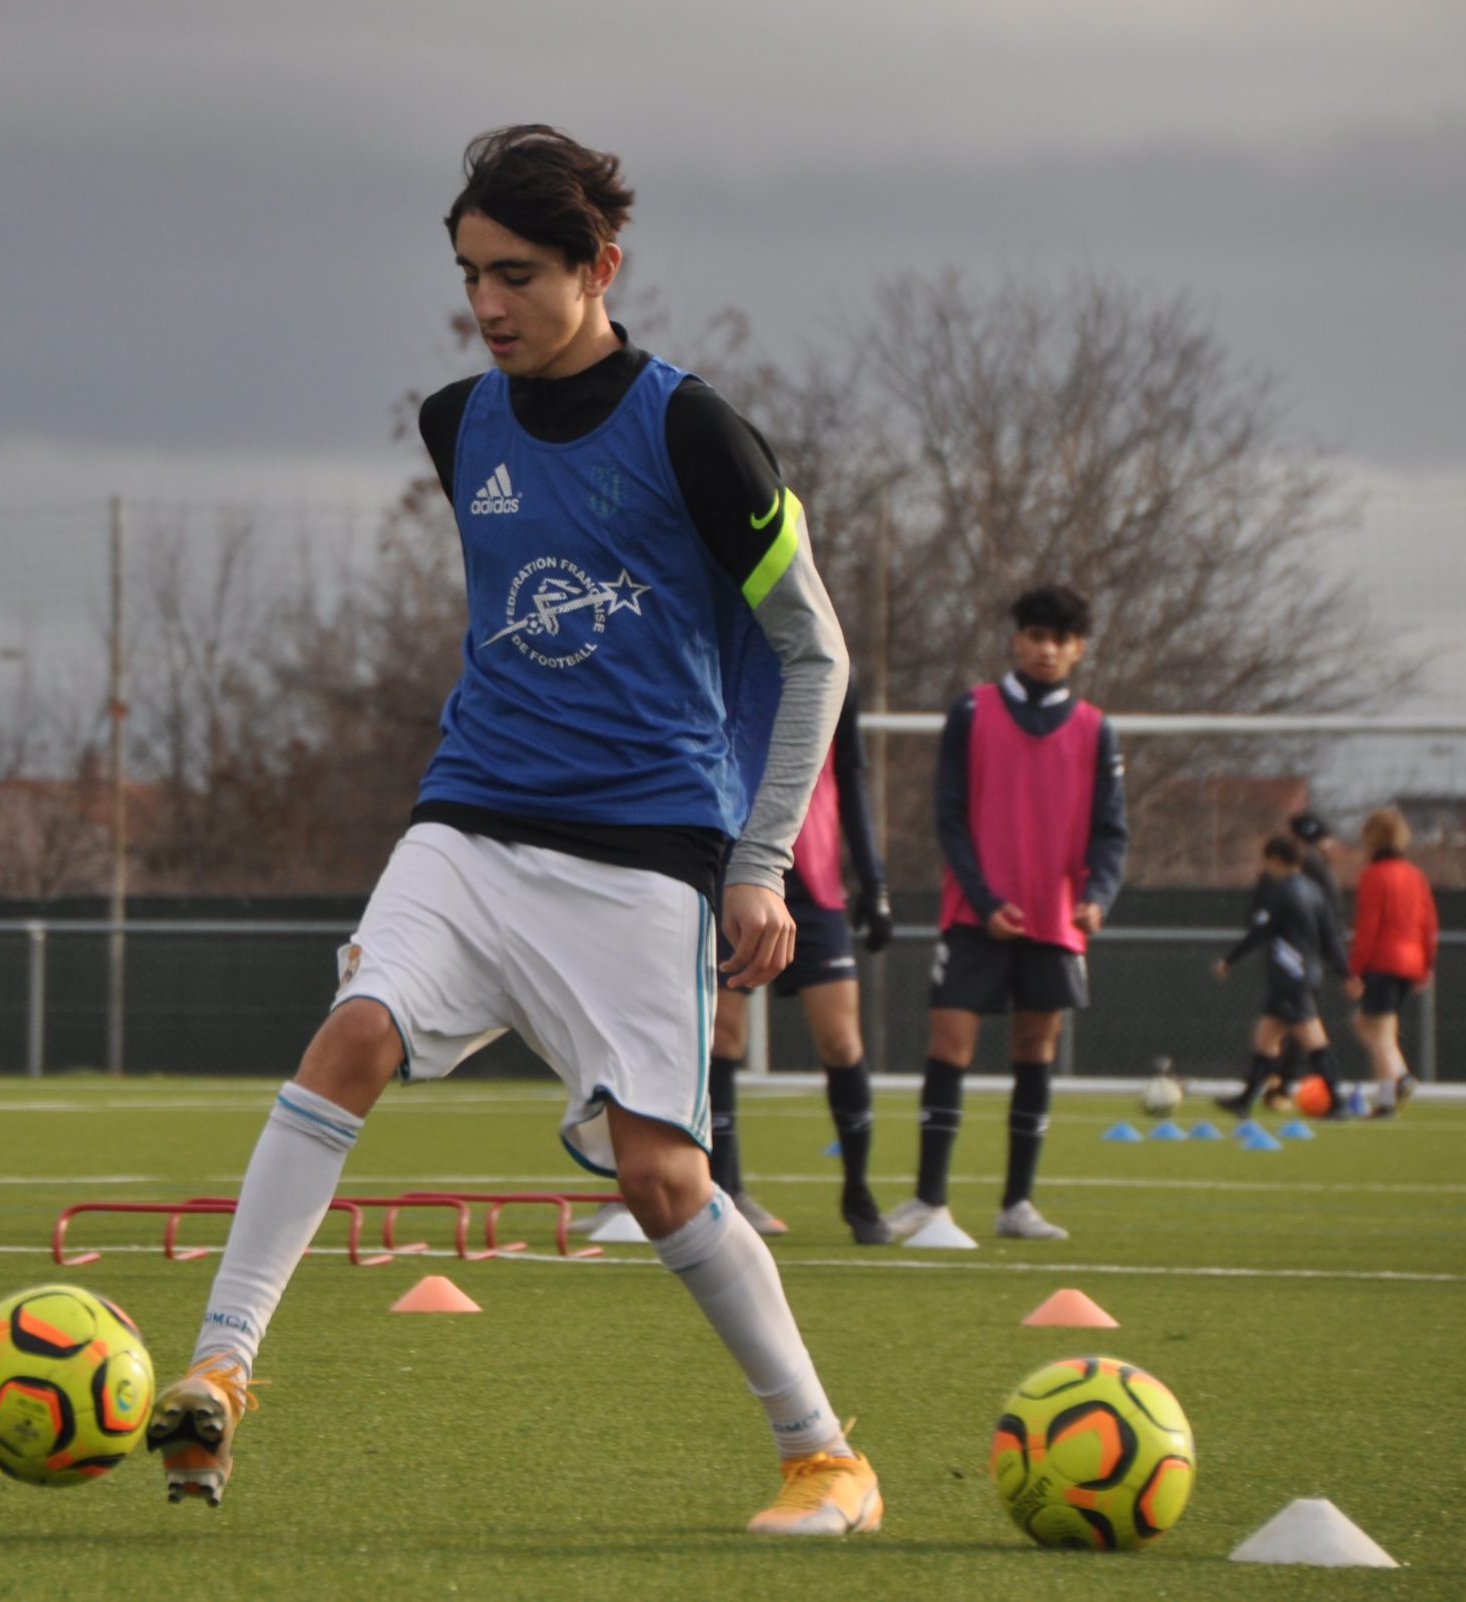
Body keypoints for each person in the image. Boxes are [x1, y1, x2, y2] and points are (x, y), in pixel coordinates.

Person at [147, 125, 882, 1535]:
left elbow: (817, 654)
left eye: (521, 276)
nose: (489, 307)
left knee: (667, 1180)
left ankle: (825, 1458)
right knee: (352, 1037)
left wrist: (761, 857)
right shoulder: (455, 424)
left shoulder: (692, 429)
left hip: (643, 851)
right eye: (471, 276)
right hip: (471, 817)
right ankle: (221, 1371)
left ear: (602, 267)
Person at [882, 585, 1129, 1244]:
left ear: (1077, 650)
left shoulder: (1095, 728)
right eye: (1036, 635)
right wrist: (986, 902)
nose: (1047, 649)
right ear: (1016, 639)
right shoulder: (972, 711)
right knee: (949, 1044)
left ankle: (1017, 1204)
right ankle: (928, 1199)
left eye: (1061, 639)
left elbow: (1111, 831)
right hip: (974, 917)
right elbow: (951, 816)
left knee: (1034, 1048)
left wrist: (1097, 894)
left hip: (1054, 921)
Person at [705, 695, 897, 1244]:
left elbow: (850, 783)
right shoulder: (719, 652)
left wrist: (874, 880)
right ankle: (725, 1191)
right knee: (722, 1033)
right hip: (730, 871)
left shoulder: (834, 668)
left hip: (811, 878)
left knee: (840, 1041)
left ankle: (859, 1192)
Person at [1212, 833, 1349, 1116]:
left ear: (1275, 860)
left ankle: (1337, 1100)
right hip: (1307, 973)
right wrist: (1344, 971)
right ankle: (1246, 1099)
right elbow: (1331, 937)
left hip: (1291, 977)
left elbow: (1261, 930)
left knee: (1313, 1040)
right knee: (1265, 1038)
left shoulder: (1281, 891)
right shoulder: (1314, 890)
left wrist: (1230, 959)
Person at [1346, 805, 1436, 1117]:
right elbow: (1428, 923)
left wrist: (1355, 970)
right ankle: (1401, 1076)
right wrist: (1426, 965)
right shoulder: (1415, 876)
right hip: (1410, 961)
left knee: (1380, 1034)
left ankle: (1386, 1100)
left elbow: (1367, 927)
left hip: (1383, 961)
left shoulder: (1374, 875)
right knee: (1367, 1023)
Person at [1257, 811, 1343, 1105]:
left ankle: (1279, 1085)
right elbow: (1332, 922)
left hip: (1296, 964)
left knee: (1297, 1027)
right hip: (1299, 962)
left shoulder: (1306, 872)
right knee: (1280, 1026)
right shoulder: (1311, 871)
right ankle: (1271, 1085)